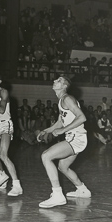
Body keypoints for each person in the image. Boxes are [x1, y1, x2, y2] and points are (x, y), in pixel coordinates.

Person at [37, 76, 91, 208]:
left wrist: (62, 130)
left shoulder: (67, 98)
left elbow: (82, 117)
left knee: (46, 155)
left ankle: (57, 195)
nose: (55, 80)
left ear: (64, 86)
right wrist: (47, 130)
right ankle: (82, 190)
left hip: (76, 137)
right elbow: (60, 122)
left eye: (59, 80)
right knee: (63, 167)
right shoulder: (62, 100)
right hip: (73, 137)